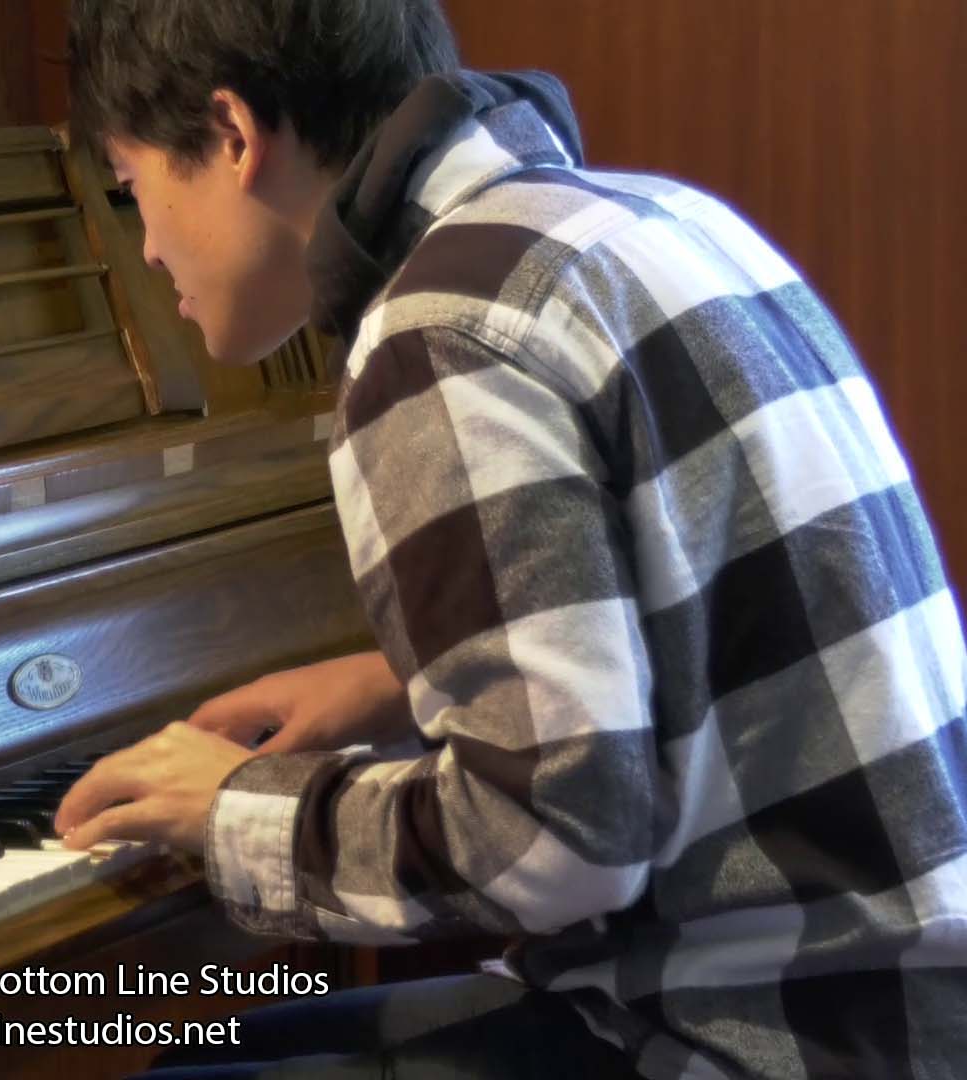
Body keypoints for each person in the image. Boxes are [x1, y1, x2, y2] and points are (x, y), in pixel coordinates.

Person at [50, 2, 967, 1077]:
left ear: (234, 135)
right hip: (905, 1002)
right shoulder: (649, 218)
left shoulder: (438, 326)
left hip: (764, 1034)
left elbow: (560, 845)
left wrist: (230, 810)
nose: (147, 247)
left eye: (133, 188)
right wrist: (397, 686)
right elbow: (706, 618)